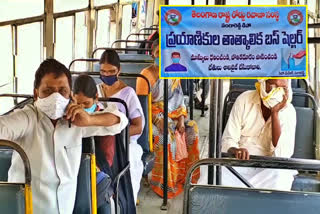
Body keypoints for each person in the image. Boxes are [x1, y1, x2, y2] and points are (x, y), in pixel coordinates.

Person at [0, 59, 128, 214]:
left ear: (70, 95)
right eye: (48, 91)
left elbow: (119, 121)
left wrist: (89, 120)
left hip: (65, 207)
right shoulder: (27, 119)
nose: (56, 97)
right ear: (36, 94)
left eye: (62, 91)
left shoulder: (76, 121)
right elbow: (4, 127)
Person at [136, 39, 200, 198]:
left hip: (173, 114)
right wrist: (158, 120)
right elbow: (141, 107)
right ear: (152, 54)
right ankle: (164, 183)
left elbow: (179, 100)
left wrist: (180, 120)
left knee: (192, 129)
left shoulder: (173, 73)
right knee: (165, 137)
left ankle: (186, 176)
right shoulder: (145, 76)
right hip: (151, 118)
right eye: (158, 54)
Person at [221, 79, 297, 191]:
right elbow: (229, 138)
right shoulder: (244, 100)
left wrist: (275, 114)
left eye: (282, 88)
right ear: (262, 84)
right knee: (210, 172)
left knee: (281, 177)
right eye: (272, 85)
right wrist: (235, 150)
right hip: (239, 164)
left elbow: (282, 154)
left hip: (269, 169)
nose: (276, 91)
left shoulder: (289, 112)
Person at [96, 50, 144, 204]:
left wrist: (115, 134)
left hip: (124, 144)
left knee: (129, 163)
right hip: (98, 142)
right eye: (103, 71)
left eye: (111, 71)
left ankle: (124, 202)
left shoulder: (128, 94)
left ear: (119, 71)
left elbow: (138, 126)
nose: (107, 75)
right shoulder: (95, 91)